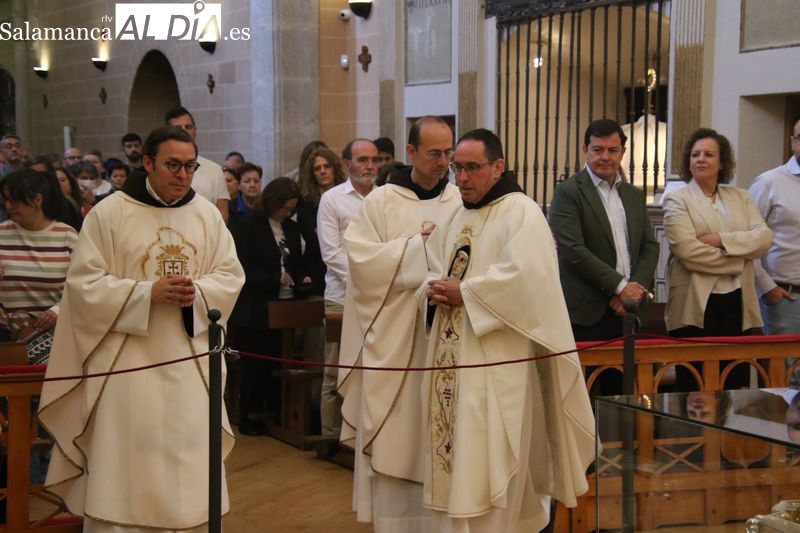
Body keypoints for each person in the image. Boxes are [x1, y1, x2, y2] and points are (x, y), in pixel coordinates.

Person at [38, 126, 245, 532]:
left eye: (190, 166)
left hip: (189, 363)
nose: (183, 175)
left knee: (187, 466)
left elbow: (230, 276)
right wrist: (146, 294)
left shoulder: (205, 214)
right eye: (172, 165)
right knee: (126, 470)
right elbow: (82, 287)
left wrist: (196, 293)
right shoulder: (109, 213)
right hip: (126, 367)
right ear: (147, 163)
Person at [422, 128, 595, 531]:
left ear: (497, 167)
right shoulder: (457, 214)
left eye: (472, 168)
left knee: (492, 455)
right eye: (456, 168)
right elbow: (431, 266)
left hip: (497, 365)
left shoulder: (521, 212)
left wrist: (466, 292)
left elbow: (528, 280)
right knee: (460, 451)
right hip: (454, 361)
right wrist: (429, 289)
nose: (462, 178)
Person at [337, 116, 462, 529]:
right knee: (398, 434)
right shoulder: (381, 202)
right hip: (394, 343)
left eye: (449, 153)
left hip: (446, 339)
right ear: (411, 153)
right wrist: (418, 250)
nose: (444, 161)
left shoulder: (459, 202)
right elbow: (361, 263)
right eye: (434, 153)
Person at [663, 127, 772, 389]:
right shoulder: (677, 199)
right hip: (694, 302)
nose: (700, 159)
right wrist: (739, 259)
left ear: (722, 162)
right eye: (695, 154)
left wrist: (722, 240)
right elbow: (688, 252)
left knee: (734, 384)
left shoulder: (741, 196)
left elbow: (764, 237)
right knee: (695, 387)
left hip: (738, 299)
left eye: (709, 154)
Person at [549, 119, 659, 343]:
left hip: (629, 310)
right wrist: (619, 287)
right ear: (585, 150)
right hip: (587, 314)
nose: (605, 157)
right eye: (597, 150)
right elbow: (573, 250)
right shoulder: (567, 193)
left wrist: (632, 292)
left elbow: (649, 246)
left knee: (629, 378)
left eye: (613, 150)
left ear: (623, 152)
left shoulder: (634, 195)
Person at [229, 177, 311, 436]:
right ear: (271, 201)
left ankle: (275, 411)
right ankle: (248, 415)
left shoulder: (292, 228)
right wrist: (272, 277)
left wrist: (302, 278)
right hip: (254, 307)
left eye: (291, 209)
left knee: (279, 360)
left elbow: (298, 262)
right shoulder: (247, 224)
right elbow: (240, 266)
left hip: (284, 305)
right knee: (255, 365)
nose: (287, 213)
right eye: (283, 208)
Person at [317, 138, 378, 437]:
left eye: (374, 160)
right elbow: (331, 253)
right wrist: (363, 279)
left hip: (377, 298)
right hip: (342, 297)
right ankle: (330, 434)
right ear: (346, 164)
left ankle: (363, 431)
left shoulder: (385, 198)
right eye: (362, 159)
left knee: (372, 369)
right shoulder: (332, 199)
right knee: (334, 368)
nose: (369, 166)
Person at [749, 116, 800, 385]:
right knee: (784, 380)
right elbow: (749, 241)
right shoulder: (770, 182)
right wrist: (767, 287)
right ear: (793, 142)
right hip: (785, 297)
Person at [165, 105, 230, 222]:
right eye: (178, 128)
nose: (184, 131)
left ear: (195, 131)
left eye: (188, 127)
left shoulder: (214, 169)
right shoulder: (161, 167)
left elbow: (222, 212)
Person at [297, 146, 346, 296]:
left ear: (334, 169)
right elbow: (314, 239)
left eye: (327, 166)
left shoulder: (345, 195)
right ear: (312, 174)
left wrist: (326, 232)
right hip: (317, 268)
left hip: (347, 262)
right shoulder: (306, 202)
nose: (323, 171)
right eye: (317, 168)